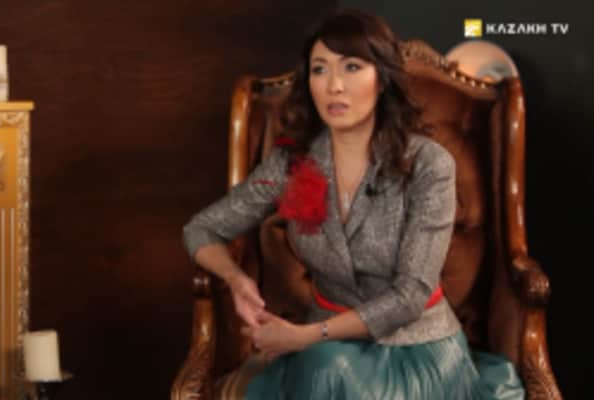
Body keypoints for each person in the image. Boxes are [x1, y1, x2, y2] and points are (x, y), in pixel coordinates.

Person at [182, 8, 525, 400]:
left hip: (418, 346)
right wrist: (236, 279)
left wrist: (304, 337)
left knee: (330, 373)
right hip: (329, 351)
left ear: (382, 79)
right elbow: (200, 230)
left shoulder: (430, 164)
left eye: (351, 67)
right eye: (320, 70)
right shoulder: (292, 163)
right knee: (329, 370)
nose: (334, 86)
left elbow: (410, 295)